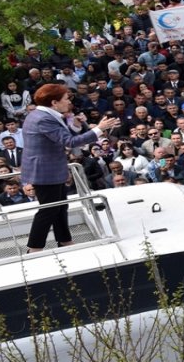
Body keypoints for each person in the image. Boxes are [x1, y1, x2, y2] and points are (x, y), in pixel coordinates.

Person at [21, 84, 118, 252]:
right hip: (45, 171)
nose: (69, 102)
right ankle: (34, 247)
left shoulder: (41, 114)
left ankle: (65, 240)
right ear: (54, 102)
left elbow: (63, 136)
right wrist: (99, 129)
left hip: (51, 168)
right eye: (66, 99)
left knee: (60, 206)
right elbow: (69, 142)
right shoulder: (43, 118)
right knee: (48, 209)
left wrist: (77, 126)